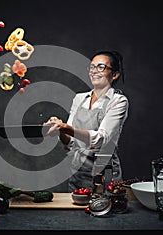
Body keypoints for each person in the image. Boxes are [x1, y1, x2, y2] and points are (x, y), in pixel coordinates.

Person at [43, 50, 129, 192]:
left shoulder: (118, 101)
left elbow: (102, 139)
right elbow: (71, 142)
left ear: (115, 74)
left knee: (104, 210)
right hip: (78, 173)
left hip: (104, 174)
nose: (95, 71)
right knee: (75, 213)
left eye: (101, 67)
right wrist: (60, 131)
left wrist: (65, 127)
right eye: (92, 67)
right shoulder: (79, 98)